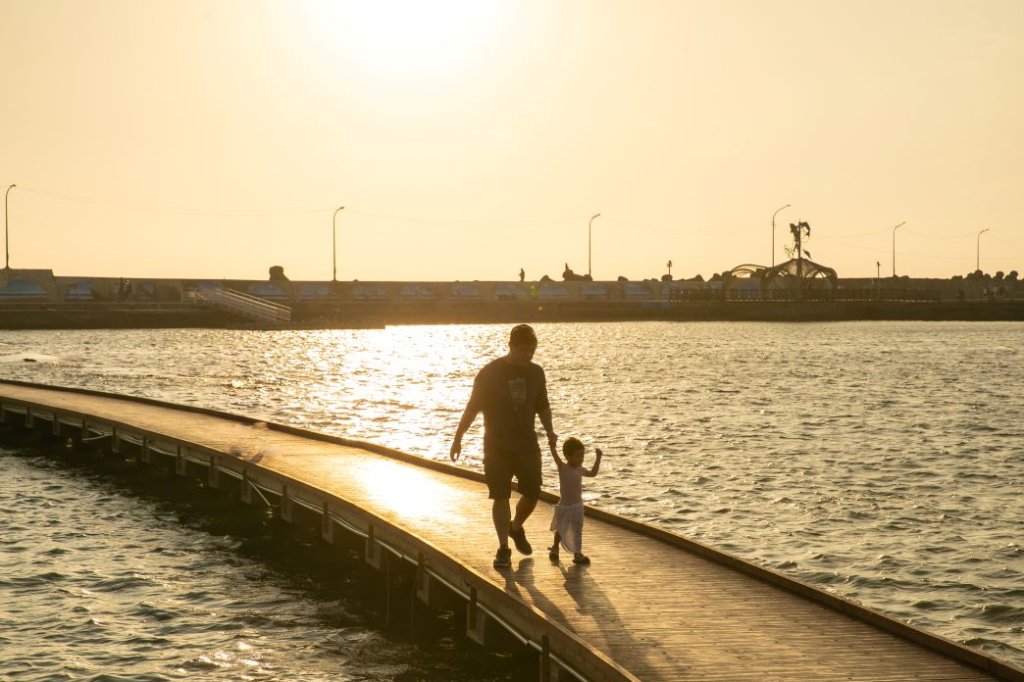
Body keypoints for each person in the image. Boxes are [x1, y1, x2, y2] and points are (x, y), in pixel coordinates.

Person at [450, 324, 558, 569]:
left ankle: (516, 527)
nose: (527, 355)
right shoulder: (490, 373)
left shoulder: (536, 373)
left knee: (533, 492)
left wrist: (550, 430)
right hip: (496, 445)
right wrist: (458, 437)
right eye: (523, 350)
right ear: (511, 346)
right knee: (500, 495)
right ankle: (503, 548)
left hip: (527, 443)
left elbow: (543, 405)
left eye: (531, 350)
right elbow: (472, 407)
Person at [548, 437, 602, 565]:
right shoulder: (563, 467)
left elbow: (593, 473)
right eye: (578, 456)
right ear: (567, 456)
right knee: (561, 528)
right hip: (565, 505)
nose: (581, 459)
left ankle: (577, 553)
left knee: (577, 529)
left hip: (577, 506)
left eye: (582, 456)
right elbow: (555, 456)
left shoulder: (580, 469)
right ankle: (555, 548)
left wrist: (598, 458)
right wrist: (552, 446)